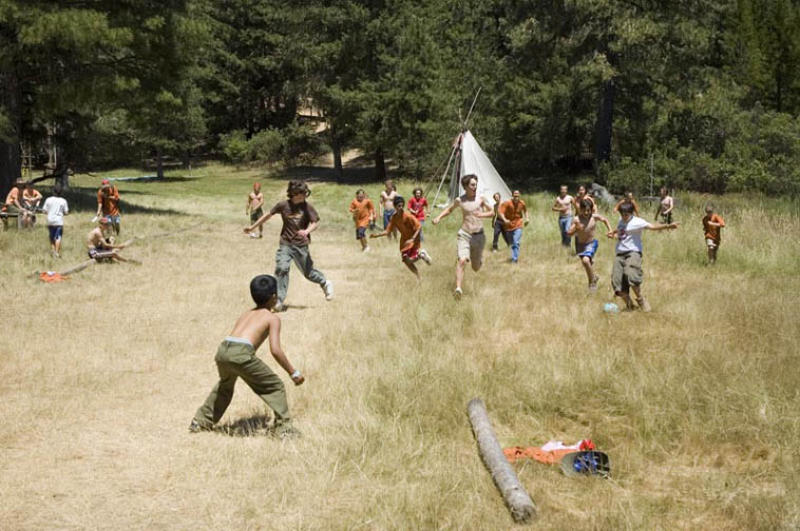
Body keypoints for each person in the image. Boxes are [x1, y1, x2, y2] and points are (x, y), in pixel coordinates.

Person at [189, 275, 304, 438]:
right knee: (275, 386)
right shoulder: (273, 318)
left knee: (225, 386)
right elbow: (276, 350)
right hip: (241, 354)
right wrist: (293, 372)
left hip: (223, 351)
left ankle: (200, 421)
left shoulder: (246, 313)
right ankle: (284, 429)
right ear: (273, 297)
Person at [245, 180, 333, 312]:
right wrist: (252, 227)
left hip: (301, 245)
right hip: (285, 243)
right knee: (282, 268)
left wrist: (306, 231)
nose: (305, 195)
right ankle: (279, 301)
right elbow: (267, 216)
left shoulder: (307, 207)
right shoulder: (283, 205)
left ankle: (325, 283)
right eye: (303, 192)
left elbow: (315, 223)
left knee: (308, 273)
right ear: (294, 193)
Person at [606, 202, 679, 311]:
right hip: (620, 253)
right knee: (617, 281)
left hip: (633, 252)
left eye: (626, 214)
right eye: (622, 214)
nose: (624, 217)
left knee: (631, 274)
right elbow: (621, 232)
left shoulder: (638, 222)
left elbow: (653, 227)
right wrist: (613, 234)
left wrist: (668, 226)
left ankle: (641, 300)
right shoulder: (621, 221)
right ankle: (630, 305)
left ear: (631, 213)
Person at [432, 174, 493, 299]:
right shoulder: (460, 200)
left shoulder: (481, 199)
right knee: (462, 260)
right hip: (464, 234)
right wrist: (438, 217)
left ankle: (478, 259)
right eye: (472, 185)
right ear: (465, 186)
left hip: (478, 236)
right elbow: (449, 210)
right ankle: (458, 288)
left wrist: (482, 215)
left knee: (475, 267)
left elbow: (492, 212)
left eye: (475, 184)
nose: (475, 187)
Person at [370, 195, 431, 279]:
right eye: (399, 206)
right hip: (404, 240)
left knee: (409, 259)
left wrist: (413, 238)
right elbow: (388, 231)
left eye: (402, 205)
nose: (401, 207)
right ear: (395, 207)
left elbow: (419, 226)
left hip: (413, 239)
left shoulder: (408, 216)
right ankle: (419, 274)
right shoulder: (394, 218)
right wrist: (377, 235)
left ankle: (421, 255)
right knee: (406, 260)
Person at [567, 198, 612, 291]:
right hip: (580, 246)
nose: (586, 213)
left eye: (588, 210)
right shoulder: (576, 219)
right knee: (587, 265)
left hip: (591, 243)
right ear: (580, 209)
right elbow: (569, 233)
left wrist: (610, 230)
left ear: (591, 209)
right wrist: (576, 229)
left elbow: (604, 220)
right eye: (584, 210)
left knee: (586, 261)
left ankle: (592, 284)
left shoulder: (594, 217)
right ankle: (594, 277)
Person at [497, 190, 530, 263]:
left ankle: (514, 259)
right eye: (515, 196)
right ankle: (514, 255)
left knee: (516, 241)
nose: (516, 197)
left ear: (519, 196)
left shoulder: (522, 203)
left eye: (518, 196)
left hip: (518, 225)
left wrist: (527, 218)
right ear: (512, 196)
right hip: (508, 226)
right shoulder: (507, 203)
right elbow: (500, 213)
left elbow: (525, 211)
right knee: (512, 243)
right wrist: (505, 220)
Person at [42, 185, 69, 258]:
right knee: (58, 237)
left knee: (51, 236)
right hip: (58, 221)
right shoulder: (63, 201)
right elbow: (66, 212)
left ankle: (53, 250)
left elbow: (44, 210)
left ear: (53, 191)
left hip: (50, 220)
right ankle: (56, 252)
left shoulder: (48, 199)